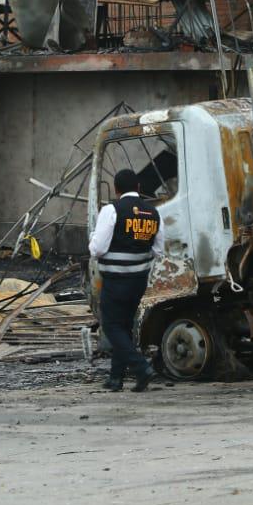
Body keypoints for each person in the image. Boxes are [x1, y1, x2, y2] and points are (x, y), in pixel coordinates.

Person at [89, 168, 163, 392]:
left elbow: (97, 249)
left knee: (112, 326)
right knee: (124, 326)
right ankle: (116, 378)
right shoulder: (153, 212)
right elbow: (159, 250)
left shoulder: (112, 210)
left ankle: (142, 368)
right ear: (139, 188)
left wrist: (92, 240)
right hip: (138, 281)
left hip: (115, 280)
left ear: (116, 189)